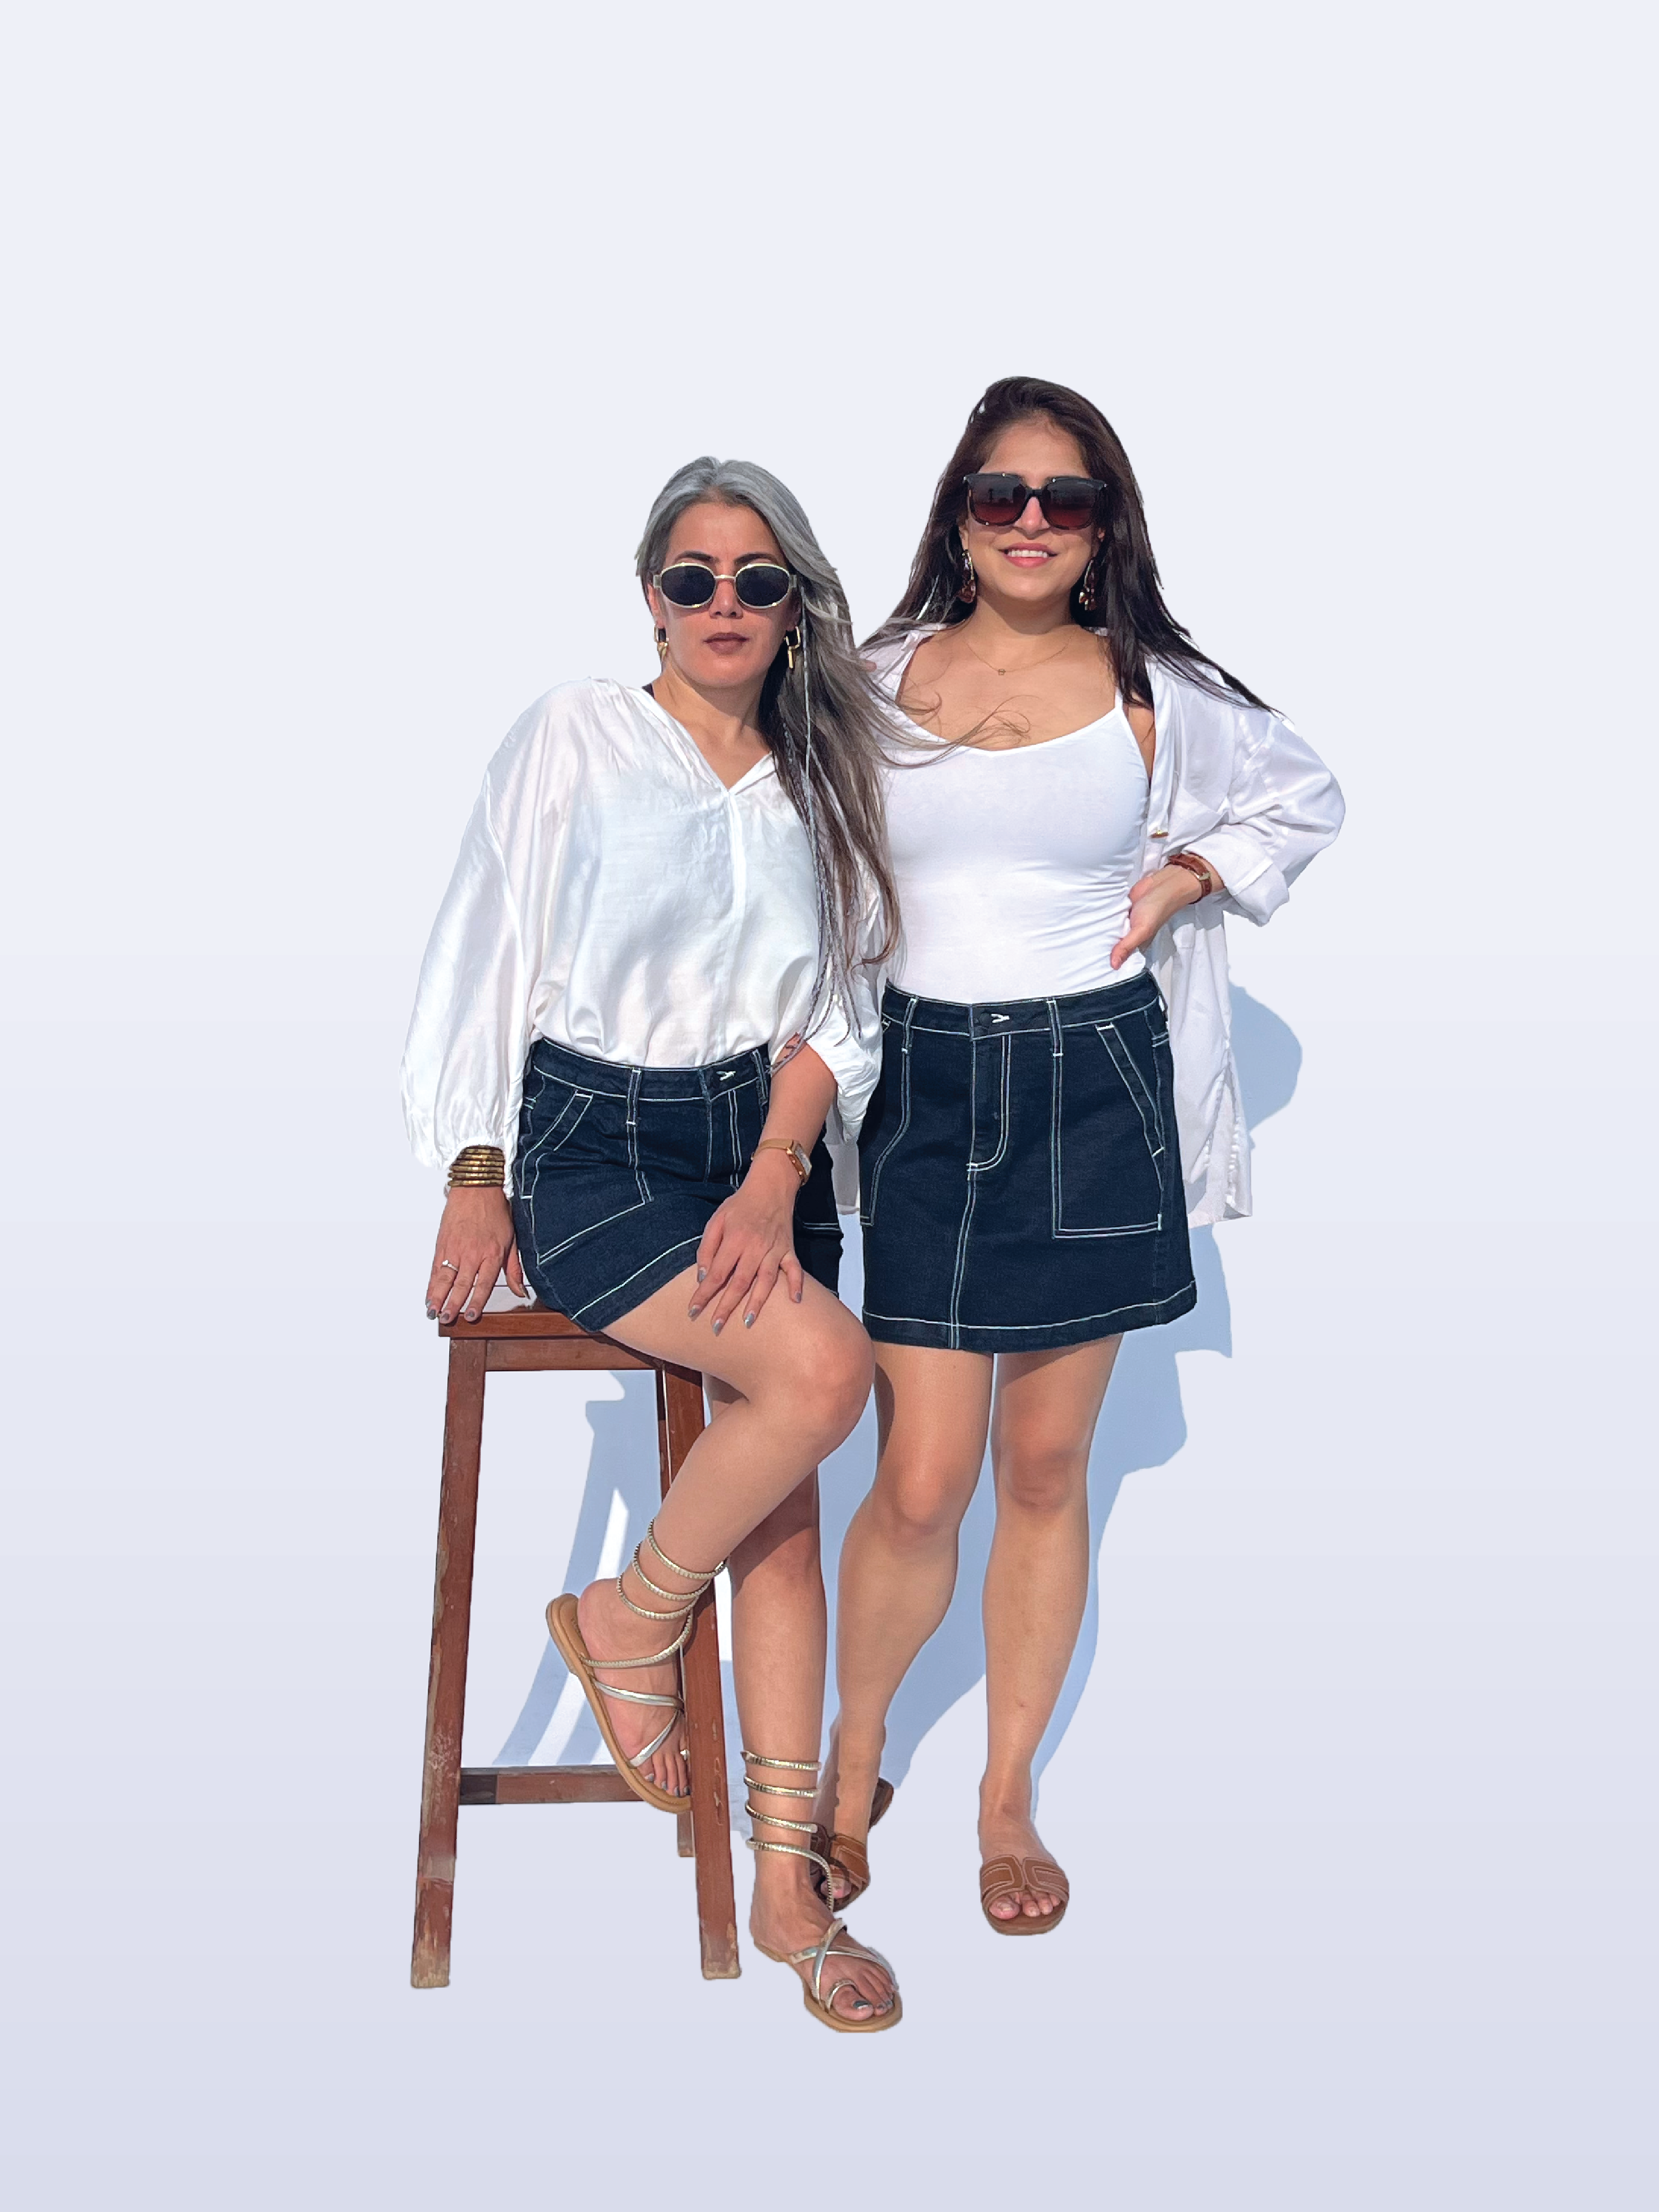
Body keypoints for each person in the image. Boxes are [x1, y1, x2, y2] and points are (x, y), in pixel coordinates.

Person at [818, 376, 1344, 1935]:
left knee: (1046, 1468)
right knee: (920, 1475)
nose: (1034, 522)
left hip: (1092, 1080)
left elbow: (1305, 791)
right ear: (959, 516)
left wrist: (1194, 873)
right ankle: (846, 1778)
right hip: (924, 1078)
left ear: (1105, 523)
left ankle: (1004, 1793)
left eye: (1066, 497)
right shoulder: (870, 678)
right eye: (1003, 495)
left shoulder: (1150, 688)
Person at [401, 457, 901, 2030]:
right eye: (695, 577)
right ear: (650, 594)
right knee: (824, 1369)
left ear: (796, 601)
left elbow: (851, 1006)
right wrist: (476, 1161)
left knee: (792, 1505)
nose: (726, 606)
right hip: (594, 1137)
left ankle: (781, 1884)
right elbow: (485, 938)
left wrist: (772, 1172)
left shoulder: (826, 774)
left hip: (766, 1138)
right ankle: (631, 1617)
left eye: (759, 580)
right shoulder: (577, 733)